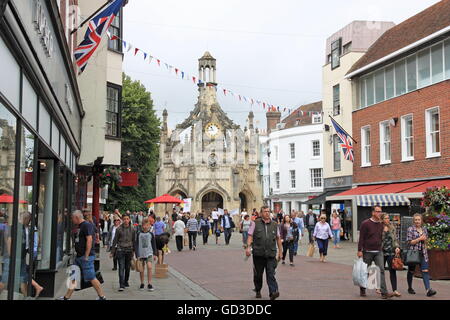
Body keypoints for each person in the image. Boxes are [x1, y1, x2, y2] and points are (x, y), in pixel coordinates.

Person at [58, 211, 106, 300]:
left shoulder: (86, 225)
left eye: (72, 218)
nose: (72, 220)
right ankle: (67, 297)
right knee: (73, 276)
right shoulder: (80, 226)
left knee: (91, 277)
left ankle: (102, 296)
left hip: (85, 257)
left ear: (76, 217)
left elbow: (89, 240)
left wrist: (86, 255)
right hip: (79, 257)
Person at [245, 206, 282, 300]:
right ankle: (258, 289)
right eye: (265, 211)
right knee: (258, 275)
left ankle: (273, 292)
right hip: (258, 254)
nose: (267, 213)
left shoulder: (274, 224)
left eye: (268, 211)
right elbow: (250, 235)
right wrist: (248, 247)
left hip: (271, 254)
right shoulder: (254, 223)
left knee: (271, 273)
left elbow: (278, 239)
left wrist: (280, 252)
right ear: (261, 213)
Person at [357, 205, 393, 299]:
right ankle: (363, 288)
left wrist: (385, 231)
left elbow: (384, 238)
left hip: (378, 251)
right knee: (365, 271)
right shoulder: (365, 223)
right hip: (367, 251)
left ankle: (384, 293)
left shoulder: (382, 224)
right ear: (373, 212)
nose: (379, 213)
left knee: (381, 270)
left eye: (380, 211)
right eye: (377, 211)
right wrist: (359, 250)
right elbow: (361, 238)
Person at [406, 213, 437, 297]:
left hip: (423, 253)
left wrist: (426, 242)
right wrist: (420, 238)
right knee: (411, 271)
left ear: (421, 221)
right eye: (415, 220)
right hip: (414, 253)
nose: (417, 221)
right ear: (413, 221)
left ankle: (428, 290)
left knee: (425, 271)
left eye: (418, 220)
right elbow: (409, 242)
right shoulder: (410, 229)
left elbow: (426, 241)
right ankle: (410, 287)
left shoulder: (424, 229)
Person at [110, 214, 135, 292]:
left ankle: (126, 281)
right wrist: (112, 252)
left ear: (129, 219)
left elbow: (134, 241)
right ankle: (121, 285)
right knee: (121, 267)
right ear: (122, 220)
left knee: (127, 268)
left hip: (129, 250)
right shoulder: (119, 229)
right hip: (120, 250)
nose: (126, 220)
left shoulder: (132, 229)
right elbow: (115, 241)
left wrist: (134, 251)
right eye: (124, 219)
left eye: (127, 219)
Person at [381, 213, 401, 297]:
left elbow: (395, 239)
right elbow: (379, 240)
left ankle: (395, 290)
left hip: (391, 252)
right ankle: (381, 289)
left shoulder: (392, 227)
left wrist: (397, 247)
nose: (387, 220)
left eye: (388, 218)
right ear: (382, 219)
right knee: (381, 271)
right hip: (381, 252)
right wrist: (384, 232)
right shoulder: (379, 228)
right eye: (385, 218)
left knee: (392, 271)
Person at [134, 218, 157, 292]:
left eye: (147, 225)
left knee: (149, 267)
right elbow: (136, 244)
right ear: (142, 225)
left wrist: (155, 254)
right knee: (141, 269)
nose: (145, 226)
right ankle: (142, 283)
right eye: (144, 225)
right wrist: (137, 254)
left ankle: (149, 283)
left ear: (149, 226)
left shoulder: (151, 234)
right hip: (141, 254)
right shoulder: (138, 234)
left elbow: (153, 244)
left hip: (149, 253)